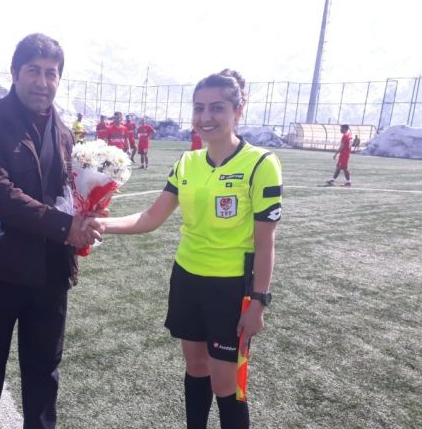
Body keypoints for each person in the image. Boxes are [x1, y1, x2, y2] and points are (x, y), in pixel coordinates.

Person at [88, 69, 282, 428]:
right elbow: (150, 217)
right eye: (199, 108)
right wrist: (101, 224)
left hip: (230, 287)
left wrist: (258, 302)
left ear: (238, 111)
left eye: (217, 108)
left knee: (226, 384)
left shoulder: (261, 164)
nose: (206, 117)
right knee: (195, 367)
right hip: (187, 279)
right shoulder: (187, 162)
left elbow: (265, 242)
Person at [0, 33, 102, 429]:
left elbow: (68, 193)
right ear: (14, 73)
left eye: (51, 73)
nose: (42, 82)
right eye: (33, 71)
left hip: (50, 275)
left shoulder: (64, 133)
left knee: (44, 374)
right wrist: (65, 226)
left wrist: (89, 212)